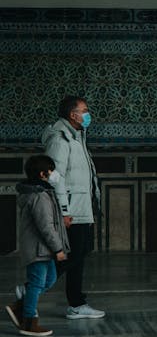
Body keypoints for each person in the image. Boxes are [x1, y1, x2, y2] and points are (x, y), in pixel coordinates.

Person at [40, 95, 104, 319]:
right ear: (72, 115)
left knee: (80, 252)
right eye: (84, 110)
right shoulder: (60, 139)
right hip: (71, 210)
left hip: (81, 207)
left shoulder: (76, 137)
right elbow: (53, 177)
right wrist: (64, 211)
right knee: (72, 254)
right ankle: (32, 288)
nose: (88, 114)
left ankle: (76, 303)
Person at [6, 154, 70, 337]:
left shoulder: (42, 192)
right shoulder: (39, 196)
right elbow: (46, 226)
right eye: (51, 171)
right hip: (39, 248)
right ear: (43, 174)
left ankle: (21, 303)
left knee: (49, 279)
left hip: (44, 248)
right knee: (37, 283)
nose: (54, 174)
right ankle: (28, 321)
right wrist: (58, 248)